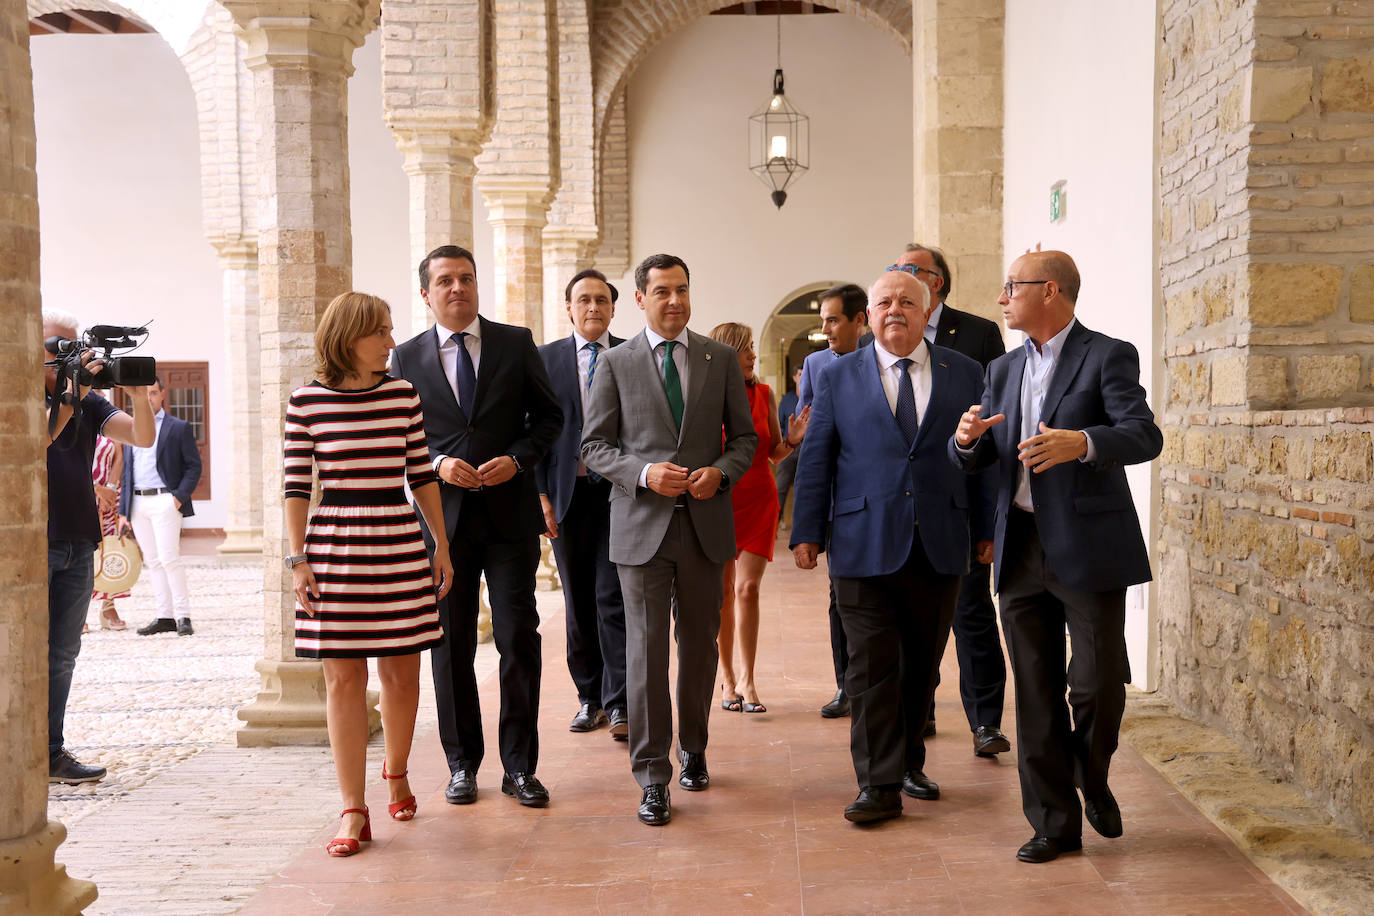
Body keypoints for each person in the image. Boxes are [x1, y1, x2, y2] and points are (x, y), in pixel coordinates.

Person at [951, 250, 1163, 863]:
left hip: (1089, 547)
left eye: (1011, 287)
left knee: (1097, 684)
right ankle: (1053, 825)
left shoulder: (1107, 354)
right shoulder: (1002, 368)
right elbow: (983, 456)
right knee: (1037, 693)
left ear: (1049, 291)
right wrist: (965, 442)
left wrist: (1086, 442)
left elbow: (1143, 434)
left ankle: (1090, 775)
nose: (1001, 298)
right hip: (1018, 547)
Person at [791, 269, 989, 824]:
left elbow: (983, 460)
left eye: (908, 301)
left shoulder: (965, 372)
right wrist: (807, 531)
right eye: (884, 302)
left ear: (929, 313)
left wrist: (987, 531)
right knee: (870, 668)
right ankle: (877, 784)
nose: (895, 309)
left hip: (940, 540)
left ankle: (908, 763)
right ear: (869, 315)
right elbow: (817, 458)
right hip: (861, 541)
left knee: (920, 668)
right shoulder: (837, 375)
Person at [581, 253, 757, 827]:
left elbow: (746, 439)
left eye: (682, 289)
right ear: (640, 298)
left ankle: (695, 748)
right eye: (662, 291)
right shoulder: (614, 363)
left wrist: (722, 472)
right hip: (640, 529)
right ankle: (653, 774)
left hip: (705, 529)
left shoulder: (720, 358)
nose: (675, 300)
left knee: (701, 647)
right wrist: (642, 474)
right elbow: (594, 446)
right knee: (646, 651)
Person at [389, 245, 563, 809]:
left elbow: (550, 419)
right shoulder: (405, 358)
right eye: (445, 281)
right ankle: (462, 763)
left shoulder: (515, 342)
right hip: (443, 526)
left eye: (466, 278)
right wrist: (437, 463)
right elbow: (398, 435)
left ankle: (520, 768)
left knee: (518, 639)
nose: (458, 288)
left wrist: (517, 458)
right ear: (427, 293)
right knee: (451, 644)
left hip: (510, 518)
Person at [284, 291, 452, 857]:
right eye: (379, 332)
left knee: (402, 677)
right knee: (342, 679)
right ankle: (352, 809)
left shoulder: (404, 394)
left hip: (400, 540)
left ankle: (397, 771)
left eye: (389, 330)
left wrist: (441, 548)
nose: (389, 342)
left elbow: (421, 473)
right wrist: (297, 559)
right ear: (347, 337)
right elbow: (296, 487)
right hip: (333, 546)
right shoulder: (305, 402)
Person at [892, 243, 1010, 758]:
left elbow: (996, 416)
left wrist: (987, 517)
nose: (901, 277)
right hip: (902, 504)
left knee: (971, 612)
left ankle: (986, 721)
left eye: (911, 270)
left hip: (959, 496)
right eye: (896, 269)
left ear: (935, 282)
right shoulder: (886, 331)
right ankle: (923, 713)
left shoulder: (978, 333)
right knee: (912, 619)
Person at [43, 309, 154, 783]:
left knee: (63, 653)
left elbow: (142, 436)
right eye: (63, 349)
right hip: (35, 542)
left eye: (79, 348)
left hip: (79, 539)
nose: (77, 357)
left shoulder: (89, 404)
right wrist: (73, 396)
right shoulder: (20, 396)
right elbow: (37, 439)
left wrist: (137, 392)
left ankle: (50, 752)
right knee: (22, 649)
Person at [536, 269, 629, 739]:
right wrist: (541, 496)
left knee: (613, 596)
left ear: (613, 308)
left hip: (619, 495)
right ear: (568, 308)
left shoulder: (633, 354)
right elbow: (533, 430)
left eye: (601, 300)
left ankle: (619, 703)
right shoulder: (544, 359)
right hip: (567, 495)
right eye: (583, 300)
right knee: (577, 600)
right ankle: (588, 697)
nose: (593, 307)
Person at [708, 322, 807, 715]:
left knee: (748, 590)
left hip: (760, 498)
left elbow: (773, 453)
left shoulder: (764, 394)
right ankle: (727, 679)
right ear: (728, 354)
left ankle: (749, 680)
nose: (753, 355)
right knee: (723, 594)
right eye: (746, 348)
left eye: (752, 348)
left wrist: (794, 440)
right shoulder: (705, 399)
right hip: (718, 502)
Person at [794, 283, 868, 719]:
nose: (825, 330)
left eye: (834, 320)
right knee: (840, 597)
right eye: (822, 320)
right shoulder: (816, 364)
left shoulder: (880, 359)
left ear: (860, 320)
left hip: (875, 494)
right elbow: (809, 438)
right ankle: (846, 685)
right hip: (837, 500)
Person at [118, 376, 202, 637]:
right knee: (153, 562)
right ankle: (164, 616)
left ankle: (183, 616)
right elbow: (127, 471)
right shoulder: (129, 428)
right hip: (138, 502)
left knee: (169, 559)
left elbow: (193, 466)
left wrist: (177, 497)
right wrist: (123, 511)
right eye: (145, 394)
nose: (149, 398)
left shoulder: (178, 427)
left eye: (153, 393)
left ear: (162, 394)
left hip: (165, 500)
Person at [89, 433, 129, 631]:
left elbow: (118, 457)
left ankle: (108, 607)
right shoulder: (67, 417)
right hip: (78, 495)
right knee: (82, 555)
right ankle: (78, 612)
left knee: (111, 554)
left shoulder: (108, 419)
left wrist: (109, 491)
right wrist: (96, 489)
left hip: (109, 499)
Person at [772, 364, 804, 526]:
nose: (803, 377)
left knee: (804, 488)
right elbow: (778, 424)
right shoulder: (787, 400)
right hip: (788, 450)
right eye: (799, 374)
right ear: (794, 377)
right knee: (781, 487)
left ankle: (801, 527)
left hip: (807, 451)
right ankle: (775, 524)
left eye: (805, 374)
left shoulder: (814, 399)